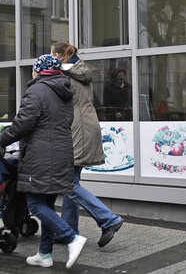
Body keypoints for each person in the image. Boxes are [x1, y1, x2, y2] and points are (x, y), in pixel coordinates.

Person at [0, 54, 86, 269]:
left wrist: (1, 137)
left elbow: (23, 123)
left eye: (33, 69)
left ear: (38, 70)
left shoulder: (37, 89)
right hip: (61, 153)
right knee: (47, 204)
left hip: (41, 157)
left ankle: (72, 238)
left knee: (35, 204)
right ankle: (44, 254)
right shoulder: (64, 91)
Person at [51, 42, 124, 247]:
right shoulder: (78, 70)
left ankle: (109, 220)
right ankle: (69, 232)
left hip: (77, 129)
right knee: (71, 182)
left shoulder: (64, 74)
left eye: (51, 55)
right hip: (84, 127)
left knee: (68, 183)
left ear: (59, 56)